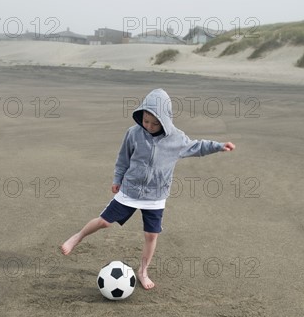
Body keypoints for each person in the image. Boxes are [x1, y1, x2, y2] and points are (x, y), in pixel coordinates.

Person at [61, 88, 235, 289]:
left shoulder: (176, 138)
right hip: (130, 190)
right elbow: (122, 159)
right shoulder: (133, 133)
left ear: (165, 120)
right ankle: (78, 236)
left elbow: (198, 146)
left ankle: (143, 271)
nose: (149, 126)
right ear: (141, 116)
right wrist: (118, 178)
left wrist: (219, 146)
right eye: (146, 121)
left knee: (151, 235)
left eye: (155, 123)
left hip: (156, 195)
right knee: (104, 222)